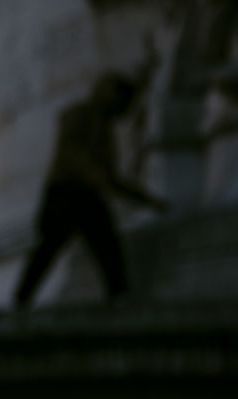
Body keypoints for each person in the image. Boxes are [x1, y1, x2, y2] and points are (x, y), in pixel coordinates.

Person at [14, 73, 170, 309]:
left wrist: (146, 200)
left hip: (85, 195)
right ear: (110, 94)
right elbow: (71, 153)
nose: (123, 111)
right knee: (50, 247)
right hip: (65, 193)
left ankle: (119, 294)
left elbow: (111, 178)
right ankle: (22, 298)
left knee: (106, 245)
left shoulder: (104, 131)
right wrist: (96, 175)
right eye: (122, 102)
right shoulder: (77, 115)